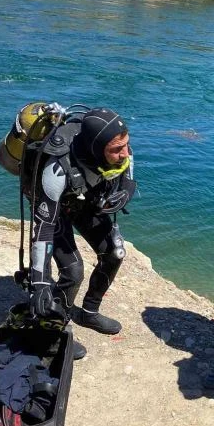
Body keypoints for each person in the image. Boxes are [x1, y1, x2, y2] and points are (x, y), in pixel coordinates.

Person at [27, 107, 136, 358]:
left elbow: (129, 173)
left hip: (84, 200)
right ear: (96, 148)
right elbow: (43, 230)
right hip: (55, 209)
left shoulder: (120, 147)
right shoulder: (56, 170)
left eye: (125, 146)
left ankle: (88, 313)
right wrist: (40, 282)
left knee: (114, 252)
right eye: (116, 150)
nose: (124, 154)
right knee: (73, 271)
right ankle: (50, 334)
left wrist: (124, 193)